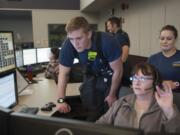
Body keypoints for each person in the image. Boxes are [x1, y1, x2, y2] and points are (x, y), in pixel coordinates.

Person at [56, 16, 123, 121]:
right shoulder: (68, 46)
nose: (75, 44)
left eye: (79, 38)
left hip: (110, 73)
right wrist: (60, 101)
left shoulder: (107, 42)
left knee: (109, 107)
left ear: (89, 34)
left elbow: (118, 70)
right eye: (71, 39)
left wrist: (112, 94)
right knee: (89, 103)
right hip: (92, 72)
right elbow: (63, 74)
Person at [96, 63, 180, 133]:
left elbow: (175, 131)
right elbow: (99, 126)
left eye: (142, 78)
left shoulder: (166, 106)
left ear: (155, 82)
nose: (136, 82)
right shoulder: (122, 102)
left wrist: (169, 111)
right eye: (135, 78)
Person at [148, 25, 180, 92]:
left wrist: (177, 84)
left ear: (175, 39)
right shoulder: (152, 59)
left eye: (169, 39)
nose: (164, 41)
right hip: (156, 96)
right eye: (162, 38)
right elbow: (147, 78)